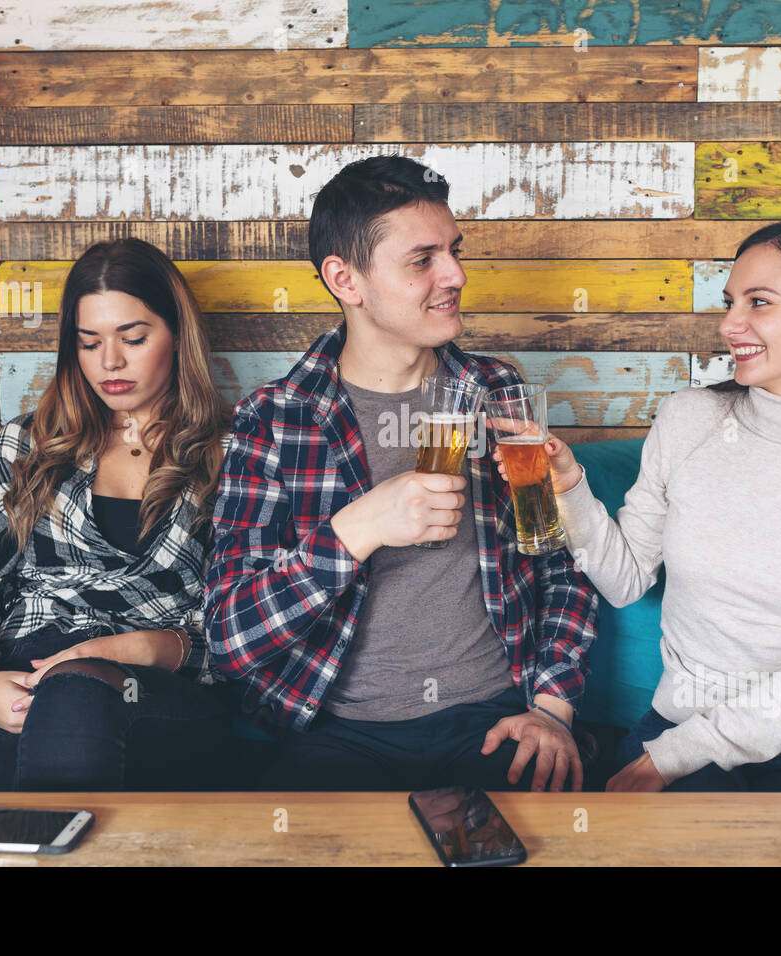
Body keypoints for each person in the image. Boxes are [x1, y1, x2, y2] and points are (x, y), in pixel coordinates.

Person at [203, 155, 599, 793]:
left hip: (495, 721)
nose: (456, 275)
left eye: (454, 251)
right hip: (340, 731)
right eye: (423, 260)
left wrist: (552, 707)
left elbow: (560, 563)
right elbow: (229, 638)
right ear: (346, 279)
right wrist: (357, 530)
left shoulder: (496, 391)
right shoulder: (274, 419)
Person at [496, 219, 781, 793]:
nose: (730, 325)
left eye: (759, 302)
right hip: (679, 723)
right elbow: (625, 580)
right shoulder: (689, 418)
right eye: (730, 302)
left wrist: (675, 757)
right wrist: (569, 485)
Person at [0, 237, 235, 791]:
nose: (110, 362)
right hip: (24, 672)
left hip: (154, 684)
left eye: (133, 338)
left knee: (74, 695)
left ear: (178, 336)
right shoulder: (26, 446)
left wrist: (137, 648)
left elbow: (245, 629)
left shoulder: (230, 454)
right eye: (89, 343)